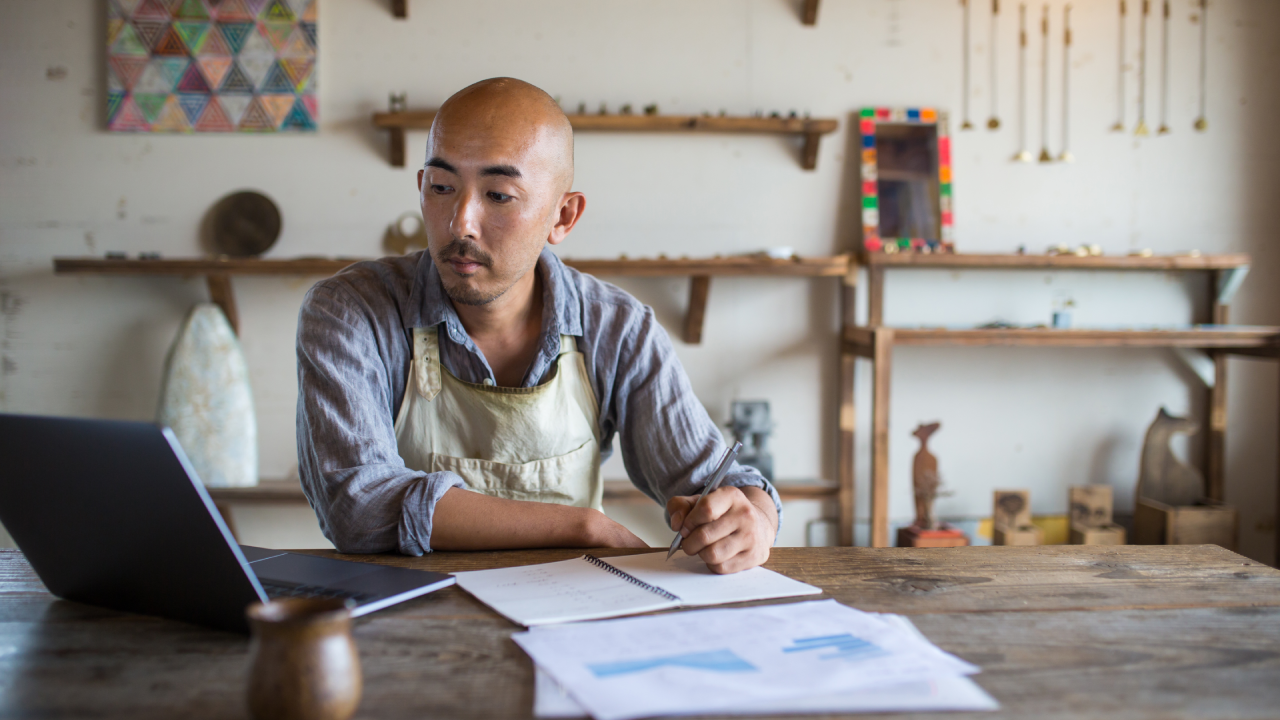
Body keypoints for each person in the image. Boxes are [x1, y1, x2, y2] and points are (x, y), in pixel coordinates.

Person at [296, 78, 780, 574]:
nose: (461, 222)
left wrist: (753, 518)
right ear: (422, 189)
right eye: (442, 188)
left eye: (499, 195)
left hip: (568, 620)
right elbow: (356, 503)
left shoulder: (617, 327)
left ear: (563, 216)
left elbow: (713, 481)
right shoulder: (350, 311)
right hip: (405, 624)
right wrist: (579, 526)